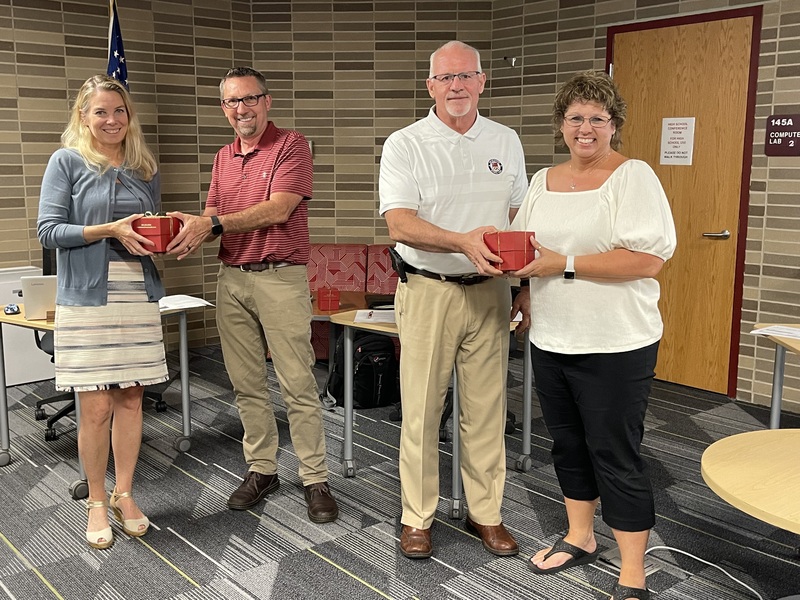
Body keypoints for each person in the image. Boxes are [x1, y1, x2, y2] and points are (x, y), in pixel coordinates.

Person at [509, 71, 677, 600]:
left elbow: (648, 259)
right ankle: (579, 536)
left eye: (597, 119)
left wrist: (567, 264)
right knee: (567, 445)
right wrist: (526, 290)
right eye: (575, 118)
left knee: (616, 453)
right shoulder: (542, 179)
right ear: (561, 125)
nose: (586, 129)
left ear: (614, 125)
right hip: (553, 338)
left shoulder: (634, 177)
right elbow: (530, 245)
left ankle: (633, 570)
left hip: (616, 342)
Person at [165, 67, 338, 523]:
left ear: (267, 101)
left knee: (297, 382)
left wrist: (213, 224)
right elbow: (212, 214)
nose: (241, 109)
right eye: (232, 102)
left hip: (280, 277)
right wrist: (185, 229)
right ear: (224, 108)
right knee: (246, 383)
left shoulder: (292, 145)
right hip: (232, 279)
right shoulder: (223, 156)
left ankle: (314, 477)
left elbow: (280, 209)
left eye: (249, 99)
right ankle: (262, 469)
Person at [379, 41, 528, 559]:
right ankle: (417, 517)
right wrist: (463, 241)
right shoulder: (406, 143)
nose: (456, 86)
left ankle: (486, 513)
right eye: (445, 78)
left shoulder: (506, 140)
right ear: (430, 87)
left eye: (466, 76)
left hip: (491, 293)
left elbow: (519, 219)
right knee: (421, 409)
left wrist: (525, 284)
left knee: (487, 411)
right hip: (427, 291)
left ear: (483, 82)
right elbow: (399, 223)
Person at [37, 75, 168, 549]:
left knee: (132, 399)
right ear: (83, 116)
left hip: (136, 292)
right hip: (88, 298)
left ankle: (124, 493)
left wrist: (161, 241)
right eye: (100, 112)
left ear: (128, 116)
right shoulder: (67, 161)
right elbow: (49, 231)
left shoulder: (144, 166)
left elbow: (145, 228)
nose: (111, 120)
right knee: (94, 407)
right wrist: (107, 229)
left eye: (119, 111)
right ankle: (95, 499)